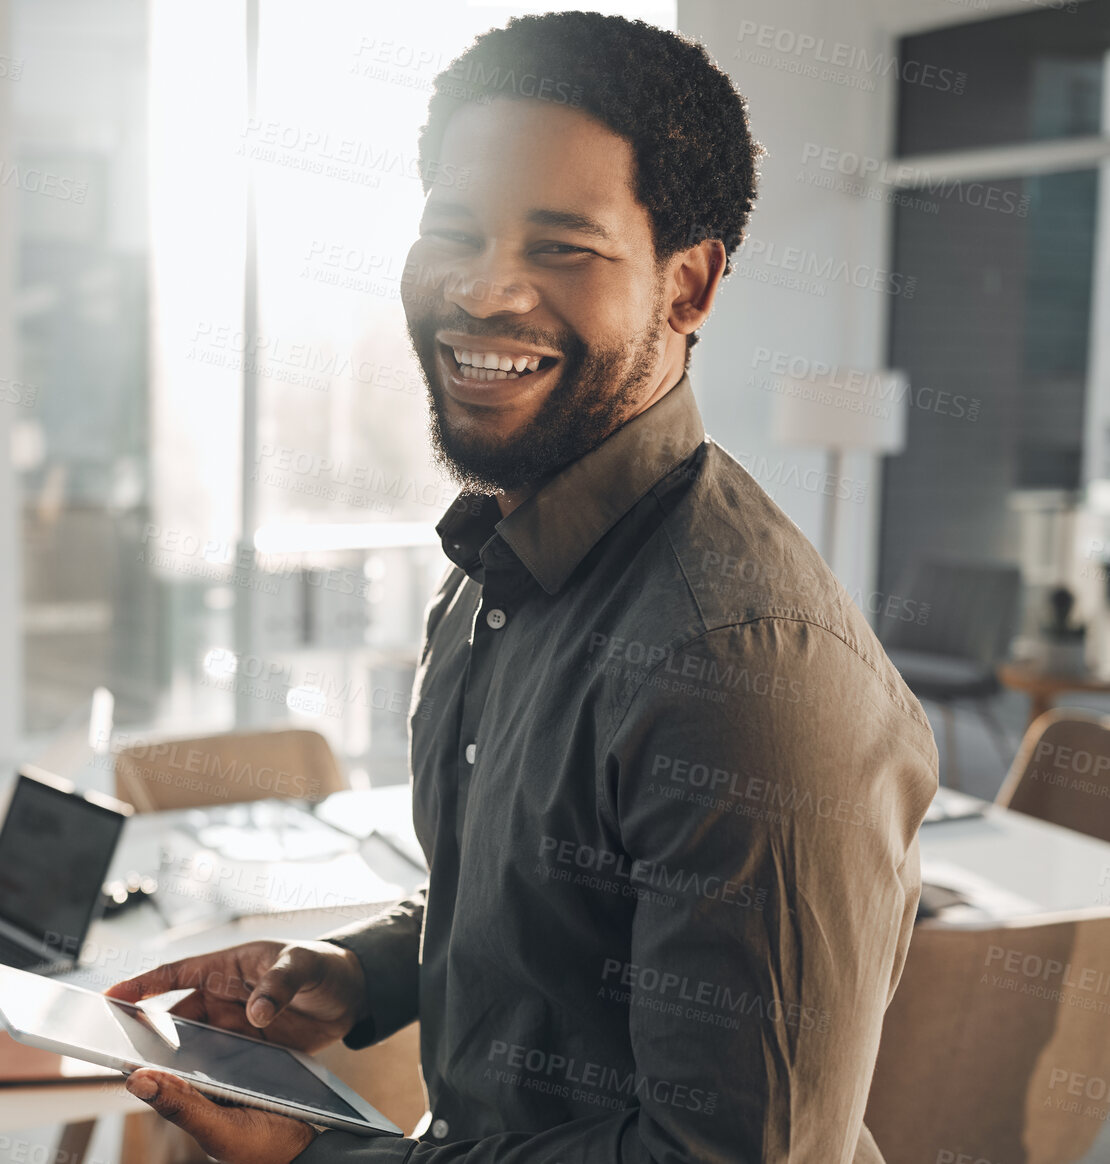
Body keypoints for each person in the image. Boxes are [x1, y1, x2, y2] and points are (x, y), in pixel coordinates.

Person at [107, 12, 938, 1162]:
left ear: (686, 286)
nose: (484, 292)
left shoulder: (736, 669)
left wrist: (323, 1160)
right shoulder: (497, 564)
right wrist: (356, 974)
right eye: (453, 231)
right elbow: (542, 904)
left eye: (562, 248)